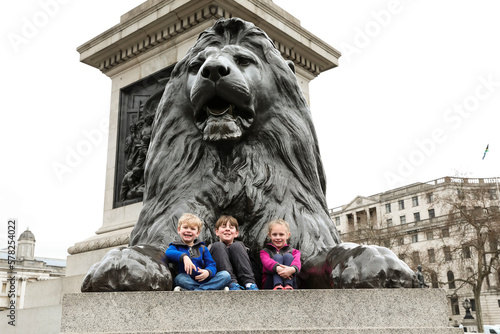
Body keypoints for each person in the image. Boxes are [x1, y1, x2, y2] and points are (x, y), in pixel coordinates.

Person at [165, 213, 231, 291]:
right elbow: (168, 253)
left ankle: (197, 290)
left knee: (226, 275)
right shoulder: (175, 246)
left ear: (197, 233)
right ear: (179, 230)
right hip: (187, 280)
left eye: (192, 229)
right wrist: (184, 257)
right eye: (185, 227)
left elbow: (211, 264)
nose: (188, 231)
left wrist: (208, 272)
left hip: (205, 281)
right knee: (179, 278)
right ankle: (209, 290)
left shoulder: (202, 248)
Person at [208, 215, 259, 290]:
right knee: (218, 246)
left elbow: (255, 270)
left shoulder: (245, 249)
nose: (227, 229)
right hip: (223, 283)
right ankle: (231, 283)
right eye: (224, 227)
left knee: (237, 245)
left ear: (236, 233)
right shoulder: (210, 248)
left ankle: (250, 284)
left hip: (243, 284)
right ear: (217, 232)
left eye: (231, 227)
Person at [260, 219, 301, 290]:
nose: (278, 237)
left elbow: (297, 263)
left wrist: (291, 269)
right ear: (269, 235)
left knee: (288, 256)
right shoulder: (264, 252)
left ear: (288, 235)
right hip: (270, 284)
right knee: (277, 257)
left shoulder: (295, 252)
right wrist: (279, 269)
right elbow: (267, 263)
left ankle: (288, 285)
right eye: (274, 234)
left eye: (281, 234)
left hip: (291, 282)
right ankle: (277, 285)